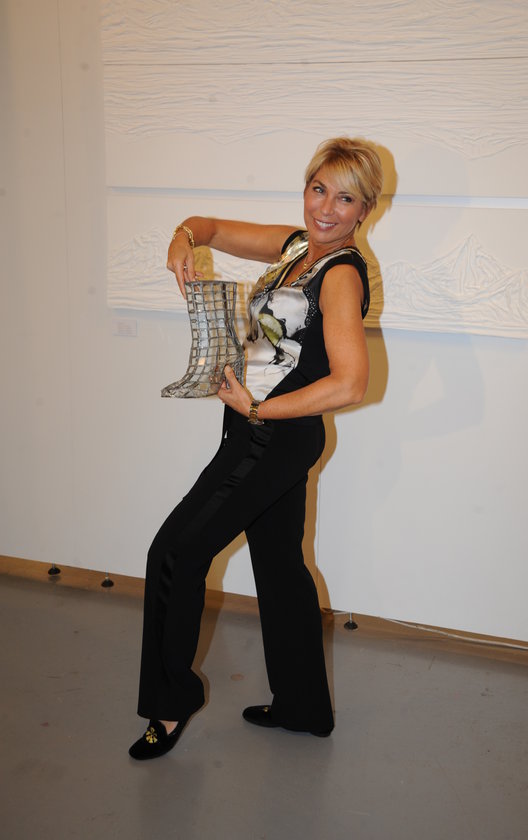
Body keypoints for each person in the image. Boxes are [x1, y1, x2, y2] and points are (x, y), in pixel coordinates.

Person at [129, 137, 383, 760]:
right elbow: (210, 227)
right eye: (319, 189)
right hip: (264, 433)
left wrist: (258, 410)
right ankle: (303, 707)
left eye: (345, 199)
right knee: (280, 569)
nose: (326, 208)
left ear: (364, 210)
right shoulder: (297, 248)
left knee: (173, 554)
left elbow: (350, 383)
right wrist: (182, 238)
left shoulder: (340, 274)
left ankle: (171, 702)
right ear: (306, 188)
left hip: (272, 436)